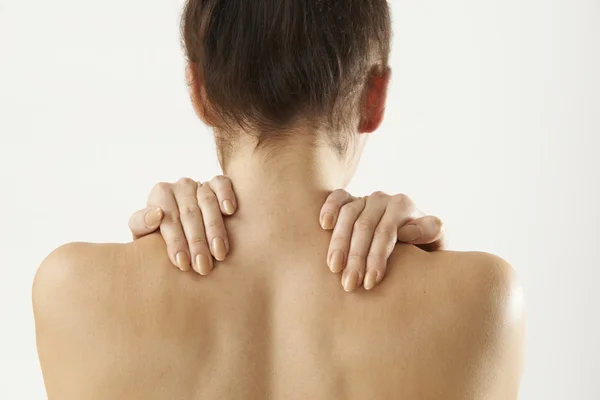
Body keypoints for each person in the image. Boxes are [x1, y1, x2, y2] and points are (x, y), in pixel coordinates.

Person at [33, 1, 525, 399]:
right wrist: (438, 277)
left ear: (200, 92)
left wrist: (138, 266)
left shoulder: (69, 287)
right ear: (374, 98)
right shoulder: (486, 298)